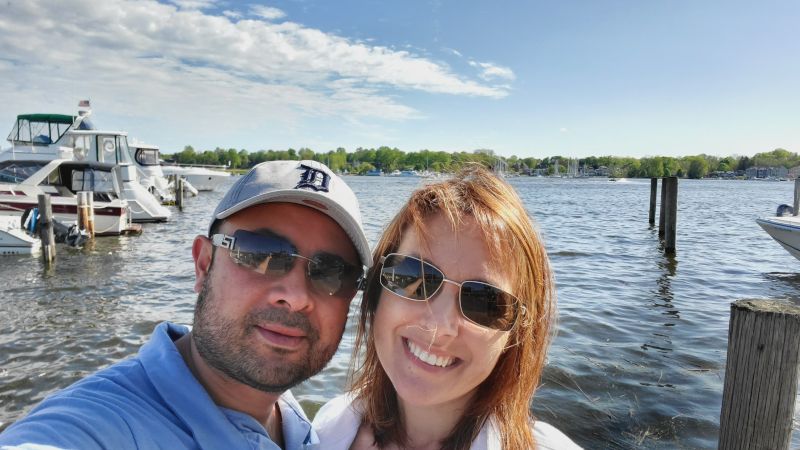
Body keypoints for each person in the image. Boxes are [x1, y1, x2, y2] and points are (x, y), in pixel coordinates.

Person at [0, 160, 372, 450]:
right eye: (261, 254)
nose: (296, 296)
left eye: (331, 272)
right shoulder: (97, 426)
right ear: (203, 264)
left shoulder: (290, 417)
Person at [313, 165, 580, 450]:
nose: (437, 327)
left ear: (515, 335)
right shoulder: (327, 427)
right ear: (378, 288)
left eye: (484, 302)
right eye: (414, 278)